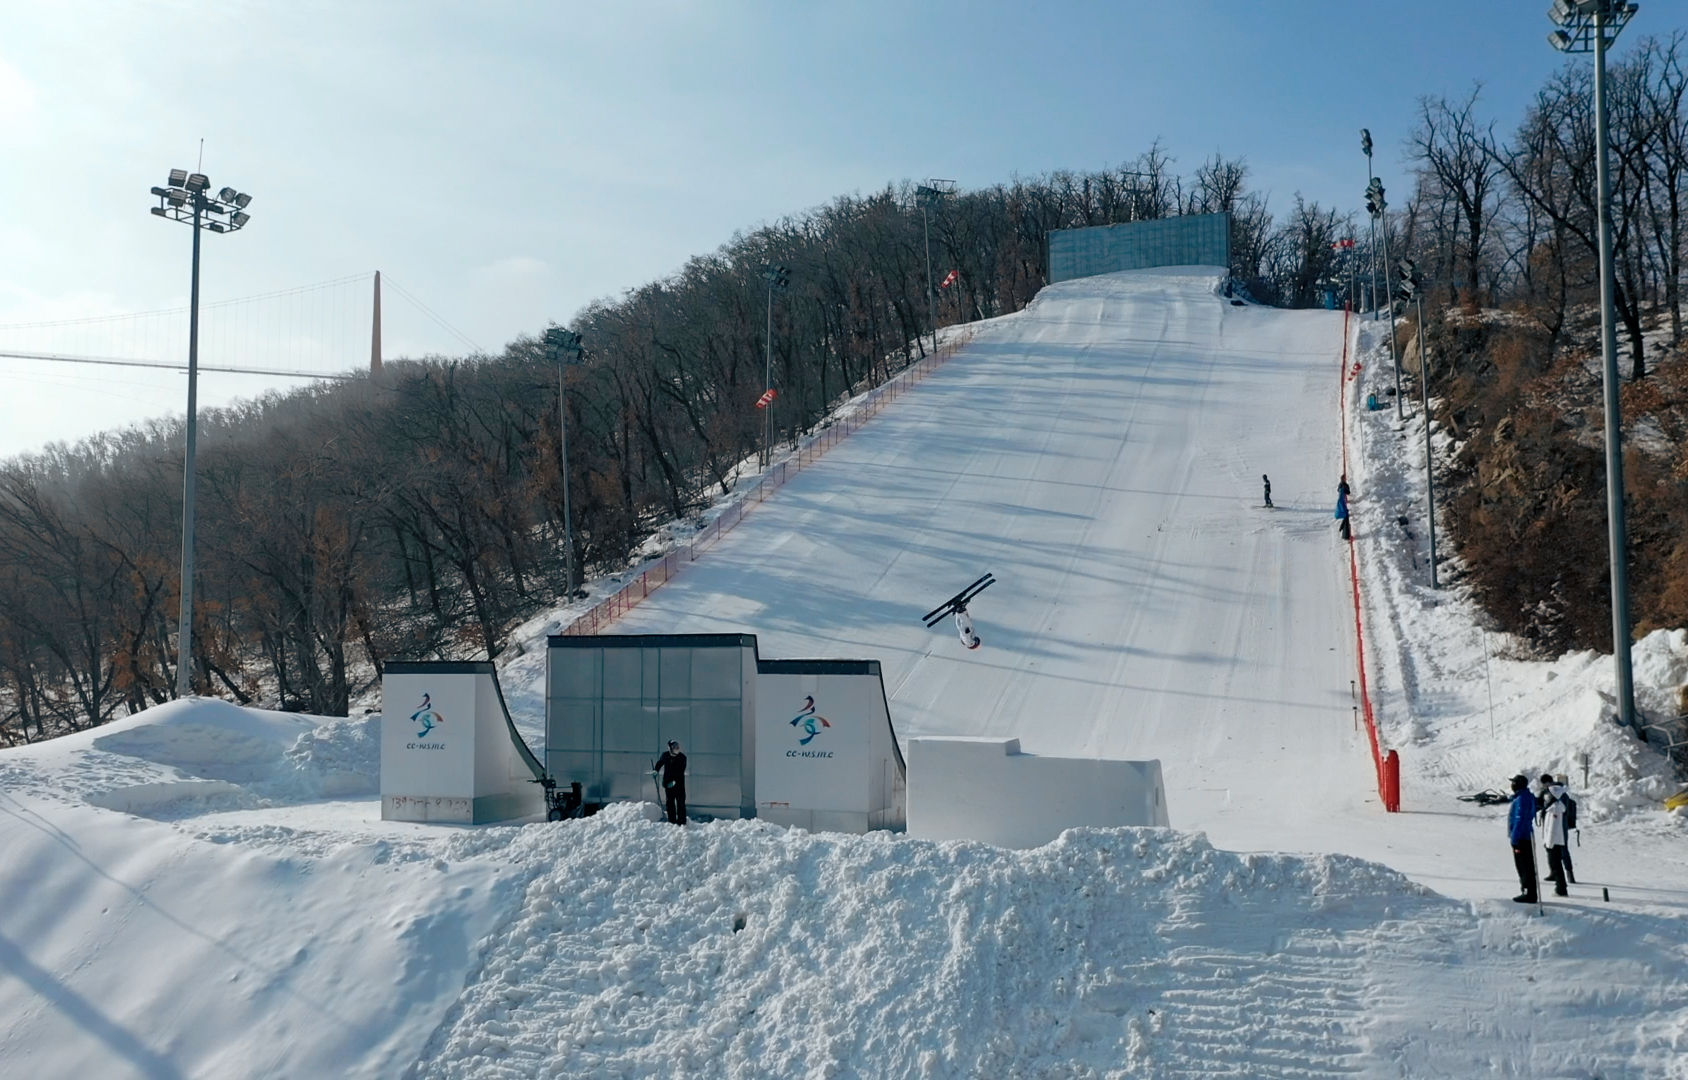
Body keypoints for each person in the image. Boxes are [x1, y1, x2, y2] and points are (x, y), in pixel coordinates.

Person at [1537, 773, 1576, 885]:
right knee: (1554, 848)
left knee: (1558, 848)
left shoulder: (1555, 792)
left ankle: (1563, 873)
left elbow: (1559, 809)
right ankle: (1562, 873)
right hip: (1557, 824)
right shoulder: (1559, 792)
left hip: (1557, 824)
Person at [1507, 773, 1538, 904]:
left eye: (1513, 783)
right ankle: (1528, 891)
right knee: (1526, 866)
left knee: (1524, 866)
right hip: (1524, 835)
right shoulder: (1524, 796)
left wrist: (1515, 838)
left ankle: (1528, 892)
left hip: (1521, 837)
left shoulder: (1522, 799)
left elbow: (1520, 819)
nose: (1511, 785)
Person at [1542, 778, 1571, 896]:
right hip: (1554, 841)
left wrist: (1549, 843)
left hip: (1554, 842)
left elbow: (1552, 829)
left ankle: (1561, 889)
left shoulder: (1555, 809)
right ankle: (1560, 887)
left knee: (1556, 865)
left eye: (1548, 795)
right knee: (1556, 864)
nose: (1546, 797)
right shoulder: (1554, 807)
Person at [653, 739, 687, 825]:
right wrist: (656, 770)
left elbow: (680, 771)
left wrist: (674, 781)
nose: (677, 748)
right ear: (670, 748)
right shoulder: (665, 755)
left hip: (679, 785)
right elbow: (660, 763)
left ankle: (681, 823)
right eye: (674, 747)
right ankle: (671, 822)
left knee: (680, 803)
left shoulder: (682, 758)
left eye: (677, 747)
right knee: (670, 803)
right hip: (668, 784)